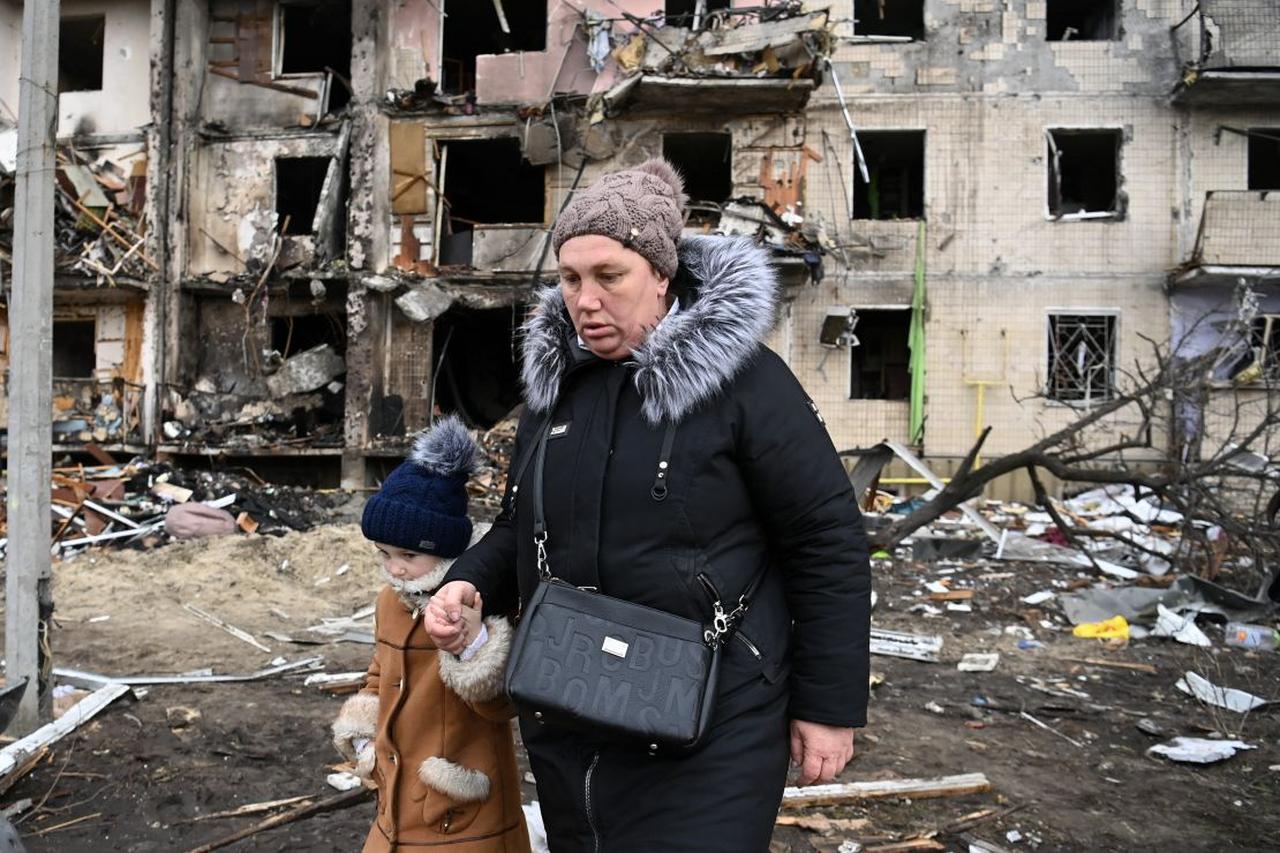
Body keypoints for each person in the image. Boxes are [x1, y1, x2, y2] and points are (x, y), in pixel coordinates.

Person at [426, 159, 871, 852]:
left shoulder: (747, 384)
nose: (586, 300)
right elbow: (522, 522)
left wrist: (828, 706)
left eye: (610, 276)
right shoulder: (557, 391)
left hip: (716, 716)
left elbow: (826, 540)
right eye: (571, 279)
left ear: (661, 274)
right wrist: (470, 582)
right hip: (573, 704)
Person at [332, 416, 531, 853]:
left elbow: (503, 705)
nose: (395, 568)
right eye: (384, 553)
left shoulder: (477, 599)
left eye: (408, 554)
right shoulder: (392, 600)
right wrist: (366, 736)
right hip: (395, 797)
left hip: (459, 807)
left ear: (446, 549)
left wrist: (473, 649)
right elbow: (379, 671)